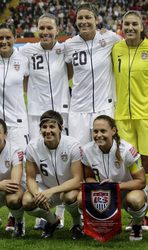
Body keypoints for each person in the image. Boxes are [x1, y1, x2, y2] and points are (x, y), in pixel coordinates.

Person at [112, 10, 148, 230]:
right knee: (130, 167)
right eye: (127, 24)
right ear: (122, 27)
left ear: (142, 26)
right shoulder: (116, 49)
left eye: (135, 24)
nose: (131, 28)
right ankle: (138, 213)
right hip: (123, 116)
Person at [20, 13, 70, 229]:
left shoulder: (65, 50)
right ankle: (45, 211)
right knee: (39, 162)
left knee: (63, 161)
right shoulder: (26, 51)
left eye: (49, 28)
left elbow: (70, 74)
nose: (46, 32)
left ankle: (61, 211)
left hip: (62, 112)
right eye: (42, 28)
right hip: (36, 115)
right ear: (36, 30)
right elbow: (22, 80)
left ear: (57, 30)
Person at [77, 115, 148, 241]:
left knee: (135, 200)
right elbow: (88, 177)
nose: (99, 135)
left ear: (113, 131)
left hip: (127, 192)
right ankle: (99, 226)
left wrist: (116, 186)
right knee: (80, 198)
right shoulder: (87, 150)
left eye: (103, 131)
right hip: (103, 193)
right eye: (95, 131)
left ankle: (137, 225)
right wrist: (99, 186)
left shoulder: (127, 150)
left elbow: (141, 181)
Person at [64, 2, 120, 146]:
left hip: (104, 107)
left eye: (88, 17)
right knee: (79, 153)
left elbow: (131, 47)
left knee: (107, 151)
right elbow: (67, 72)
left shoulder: (110, 38)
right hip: (78, 110)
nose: (84, 22)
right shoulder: (69, 45)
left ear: (96, 19)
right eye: (80, 18)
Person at [22, 110, 83, 240]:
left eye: (52, 126)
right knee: (27, 201)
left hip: (68, 188)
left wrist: (50, 191)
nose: (47, 131)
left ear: (60, 128)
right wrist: (38, 195)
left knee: (70, 196)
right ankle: (53, 220)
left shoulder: (73, 145)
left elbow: (78, 179)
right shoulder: (32, 146)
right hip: (47, 187)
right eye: (44, 127)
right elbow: (30, 178)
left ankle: (77, 224)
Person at [0, 22, 29, 233]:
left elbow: (29, 84)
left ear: (15, 38)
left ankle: (15, 216)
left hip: (18, 123)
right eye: (0, 38)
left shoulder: (23, 59)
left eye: (7, 37)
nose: (3, 41)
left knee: (18, 169)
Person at [0, 118, 25, 238]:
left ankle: (19, 222)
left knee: (13, 199)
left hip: (12, 190)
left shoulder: (15, 150)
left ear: (5, 134)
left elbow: (15, 183)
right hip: (1, 187)